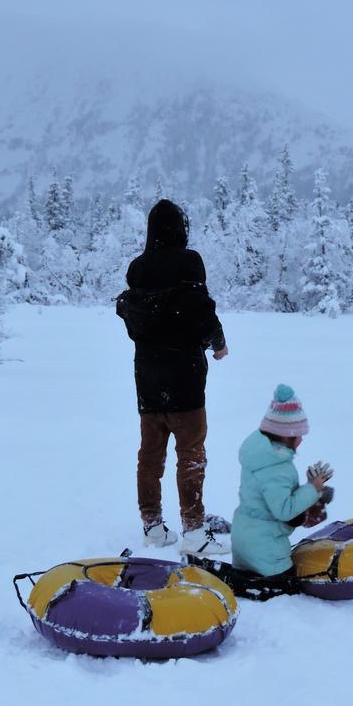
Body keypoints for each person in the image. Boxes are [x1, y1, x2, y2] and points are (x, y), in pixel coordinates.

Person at [117, 199, 230, 555]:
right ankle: (194, 533)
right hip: (185, 379)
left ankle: (152, 527)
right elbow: (201, 311)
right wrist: (219, 343)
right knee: (191, 454)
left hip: (148, 382)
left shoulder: (138, 270)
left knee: (150, 456)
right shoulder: (188, 263)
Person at [230, 384, 334, 582]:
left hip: (244, 542)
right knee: (291, 584)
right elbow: (284, 511)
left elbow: (274, 498)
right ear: (287, 435)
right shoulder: (276, 469)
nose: (302, 440)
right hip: (266, 551)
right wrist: (313, 489)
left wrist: (309, 488)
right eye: (299, 435)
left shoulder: (260, 456)